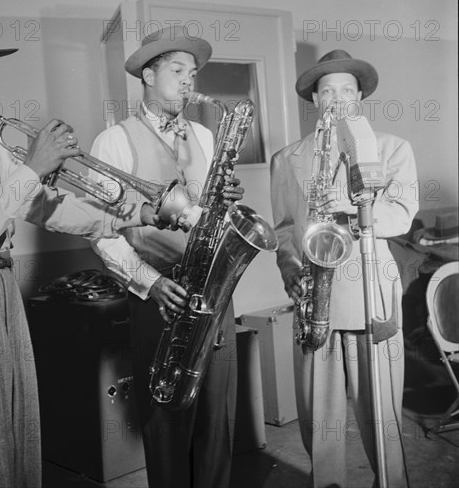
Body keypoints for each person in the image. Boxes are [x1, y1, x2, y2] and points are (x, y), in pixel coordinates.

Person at [0, 12, 186, 488]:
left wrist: (136, 215)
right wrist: (33, 166)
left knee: (19, 438)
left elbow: (48, 209)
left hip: (1, 287)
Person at [89, 25, 241, 488]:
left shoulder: (204, 134)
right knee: (166, 421)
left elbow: (210, 215)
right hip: (161, 294)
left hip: (213, 290)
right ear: (148, 75)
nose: (188, 81)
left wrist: (228, 202)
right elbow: (100, 232)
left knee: (217, 422)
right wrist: (148, 282)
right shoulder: (112, 141)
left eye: (192, 72)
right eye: (177, 70)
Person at [270, 49, 419, 488]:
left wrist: (357, 211)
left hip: (372, 294)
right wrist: (289, 268)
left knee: (382, 415)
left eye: (346, 90)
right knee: (320, 420)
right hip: (316, 296)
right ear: (315, 99)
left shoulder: (392, 149)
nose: (337, 99)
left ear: (359, 98)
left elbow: (403, 216)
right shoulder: (287, 158)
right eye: (327, 90)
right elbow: (282, 229)